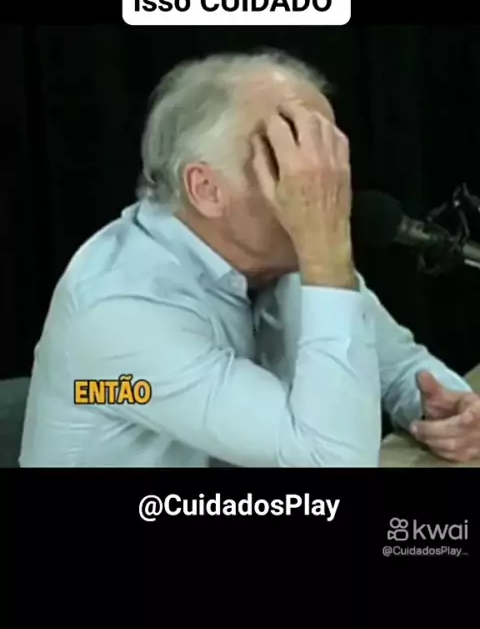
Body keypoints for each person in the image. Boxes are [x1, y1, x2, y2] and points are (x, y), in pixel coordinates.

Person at [19, 50, 480, 467]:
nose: (324, 183)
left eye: (326, 155)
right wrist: (326, 259)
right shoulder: (118, 311)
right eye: (291, 158)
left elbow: (399, 366)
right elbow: (334, 461)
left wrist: (453, 413)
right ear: (207, 189)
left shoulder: (283, 252)